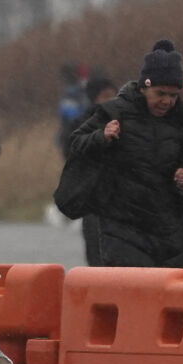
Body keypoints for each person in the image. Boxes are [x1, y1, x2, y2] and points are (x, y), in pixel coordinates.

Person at [64, 40, 183, 268]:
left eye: (174, 95)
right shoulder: (115, 113)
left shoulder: (182, 122)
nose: (167, 101)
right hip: (122, 227)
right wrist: (102, 138)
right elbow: (76, 145)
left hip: (167, 228)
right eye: (160, 93)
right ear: (144, 87)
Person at [77, 73, 115, 267]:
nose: (111, 100)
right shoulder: (83, 124)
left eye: (113, 95)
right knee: (95, 247)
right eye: (105, 95)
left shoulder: (123, 122)